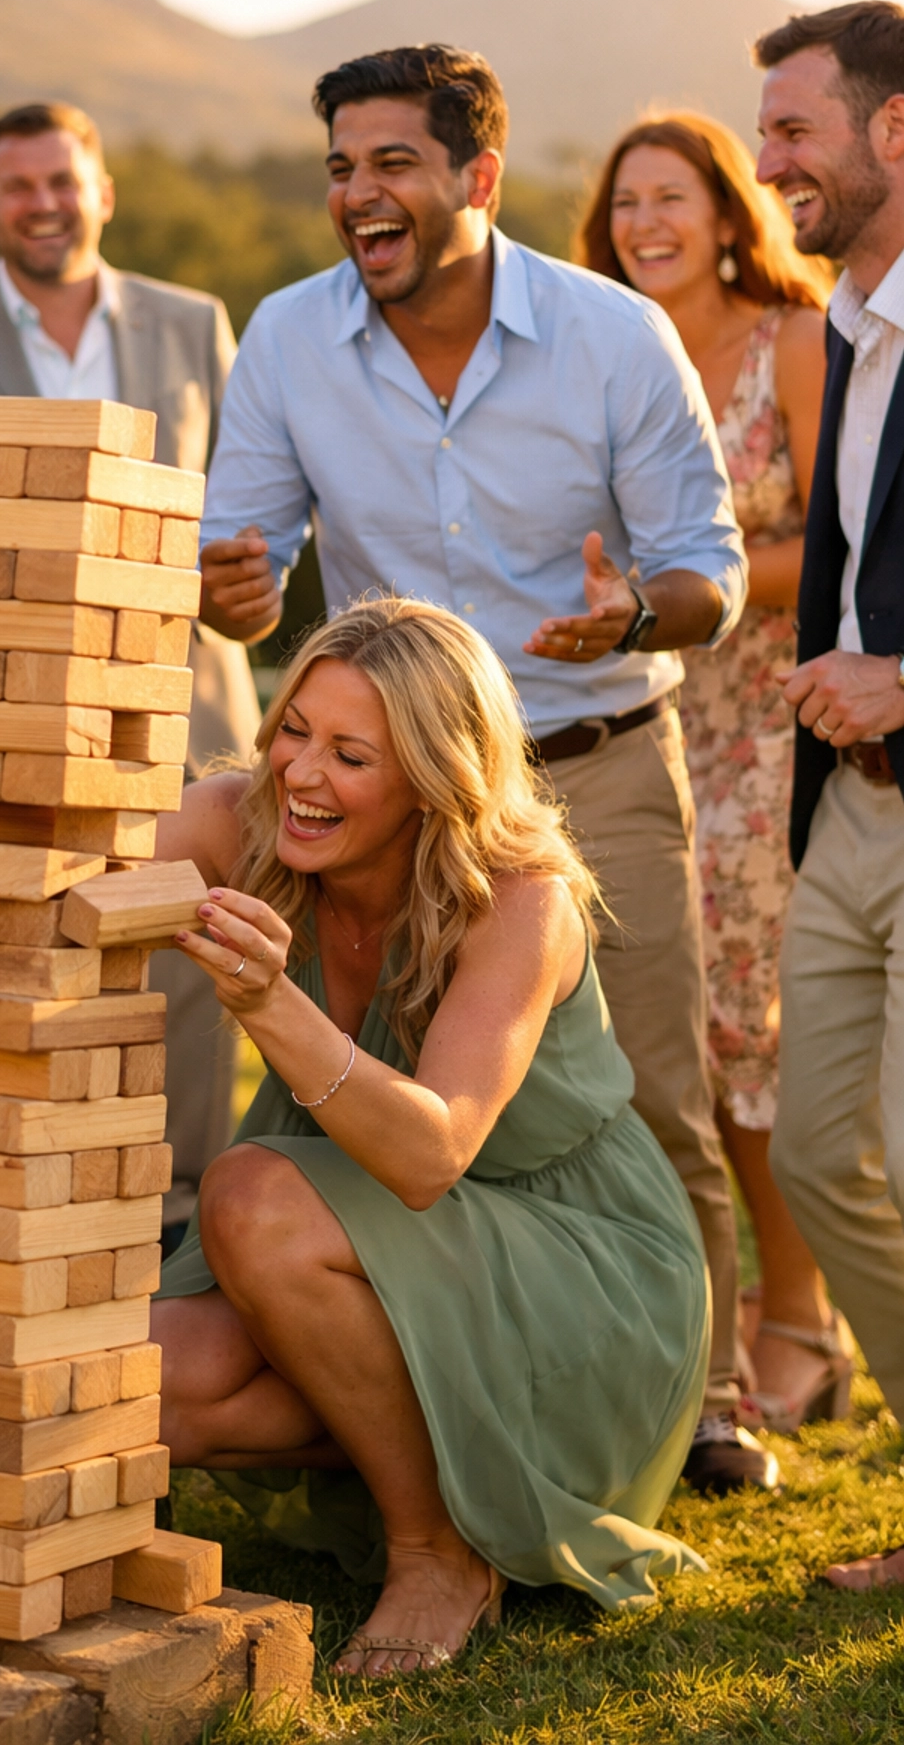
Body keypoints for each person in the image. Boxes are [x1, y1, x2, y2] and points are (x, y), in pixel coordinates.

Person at [198, 45, 765, 1490]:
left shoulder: (614, 336)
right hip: (392, 798)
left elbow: (710, 574)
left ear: (477, 179)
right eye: (341, 166)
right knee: (404, 1089)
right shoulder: (285, 338)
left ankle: (698, 1391)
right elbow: (241, 565)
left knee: (646, 1084)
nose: (357, 194)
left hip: (595, 752)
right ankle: (432, 1354)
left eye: (391, 162)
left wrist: (631, 611)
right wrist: (242, 600)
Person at [155, 596, 710, 1674]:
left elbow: (429, 1155)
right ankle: (428, 1446)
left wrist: (272, 1002)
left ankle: (438, 1548)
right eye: (292, 729)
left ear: (433, 775)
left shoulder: (521, 900)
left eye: (351, 754)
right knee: (149, 1393)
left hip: (571, 1257)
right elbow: (77, 868)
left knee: (250, 1196)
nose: (299, 774)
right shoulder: (249, 818)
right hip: (360, 1229)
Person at [0, 100, 261, 1235]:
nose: (43, 203)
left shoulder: (195, 320)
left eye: (63, 180)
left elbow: (244, 498)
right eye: (18, 186)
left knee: (190, 942)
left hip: (184, 690)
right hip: (22, 700)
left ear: (102, 190)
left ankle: (182, 1220)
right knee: (38, 937)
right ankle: (47, 1203)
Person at [578, 112, 844, 1431]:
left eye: (671, 197)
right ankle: (727, 1302)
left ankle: (802, 1322)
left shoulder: (791, 339)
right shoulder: (604, 353)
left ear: (730, 211)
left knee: (755, 1030)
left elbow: (850, 540)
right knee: (670, 1037)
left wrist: (689, 589)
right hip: (641, 714)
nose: (645, 224)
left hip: (774, 718)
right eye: (626, 203)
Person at [742, 3, 904, 1592]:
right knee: (816, 1159)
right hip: (845, 811)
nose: (766, 161)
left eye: (794, 131)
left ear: (893, 132)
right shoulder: (843, 327)